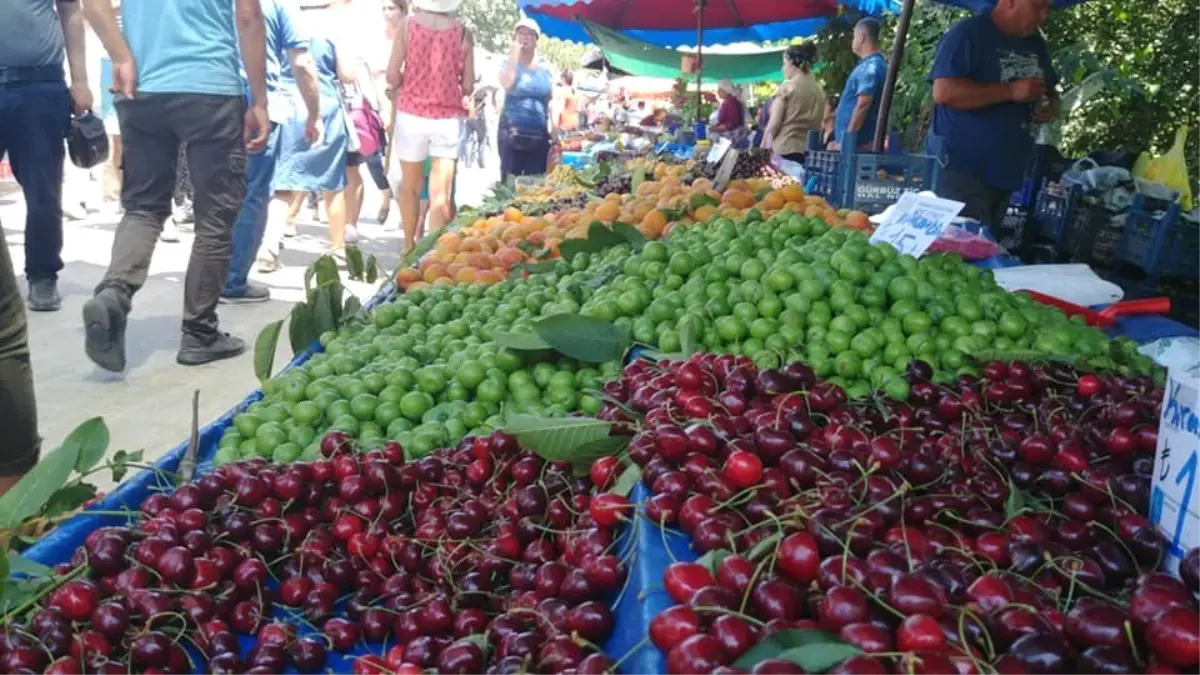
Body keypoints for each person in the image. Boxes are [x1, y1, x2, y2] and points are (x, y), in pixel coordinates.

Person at [219, 0, 322, 302]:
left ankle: (207, 276)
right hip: (256, 100)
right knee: (251, 193)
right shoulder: (281, 4)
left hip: (208, 95)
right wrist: (315, 114)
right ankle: (233, 280)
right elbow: (302, 63)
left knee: (215, 192)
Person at [930, 0, 1058, 232]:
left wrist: (1049, 105)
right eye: (1038, 6)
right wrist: (1010, 91)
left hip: (1007, 173)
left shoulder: (1035, 43)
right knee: (962, 254)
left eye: (1047, 8)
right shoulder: (969, 34)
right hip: (963, 172)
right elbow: (944, 92)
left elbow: (1050, 90)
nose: (1044, 15)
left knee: (986, 250)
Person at [1, 0, 92, 312]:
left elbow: (71, 11)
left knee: (44, 193)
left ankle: (43, 274)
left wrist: (80, 80)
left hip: (40, 85)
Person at [387, 0, 474, 253]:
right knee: (441, 194)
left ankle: (408, 245)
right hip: (447, 119)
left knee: (410, 187)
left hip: (411, 114)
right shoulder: (463, 33)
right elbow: (467, 85)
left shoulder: (406, 26)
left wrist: (409, 81)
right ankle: (433, 252)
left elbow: (392, 75)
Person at [268, 26, 352, 263]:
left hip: (287, 105)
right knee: (333, 184)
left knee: (283, 180)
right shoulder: (334, 28)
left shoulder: (284, 21)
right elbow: (348, 75)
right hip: (324, 105)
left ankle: (270, 246)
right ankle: (337, 248)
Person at [497, 18, 555, 184]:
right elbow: (507, 83)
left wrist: (555, 130)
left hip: (539, 133)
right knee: (510, 182)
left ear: (537, 40)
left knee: (536, 183)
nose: (525, 37)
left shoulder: (545, 67)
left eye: (530, 34)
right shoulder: (507, 63)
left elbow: (550, 99)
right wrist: (513, 58)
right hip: (511, 132)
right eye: (521, 33)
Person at [762, 42, 827, 163]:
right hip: (809, 152)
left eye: (784, 64)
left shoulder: (787, 88)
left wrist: (765, 147)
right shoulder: (819, 90)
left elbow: (774, 124)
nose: (782, 68)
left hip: (785, 150)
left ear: (792, 63)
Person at [830, 17, 887, 151]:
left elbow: (863, 104)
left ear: (861, 38)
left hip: (858, 148)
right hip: (858, 146)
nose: (853, 41)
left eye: (854, 36)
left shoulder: (870, 67)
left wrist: (847, 142)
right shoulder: (874, 65)